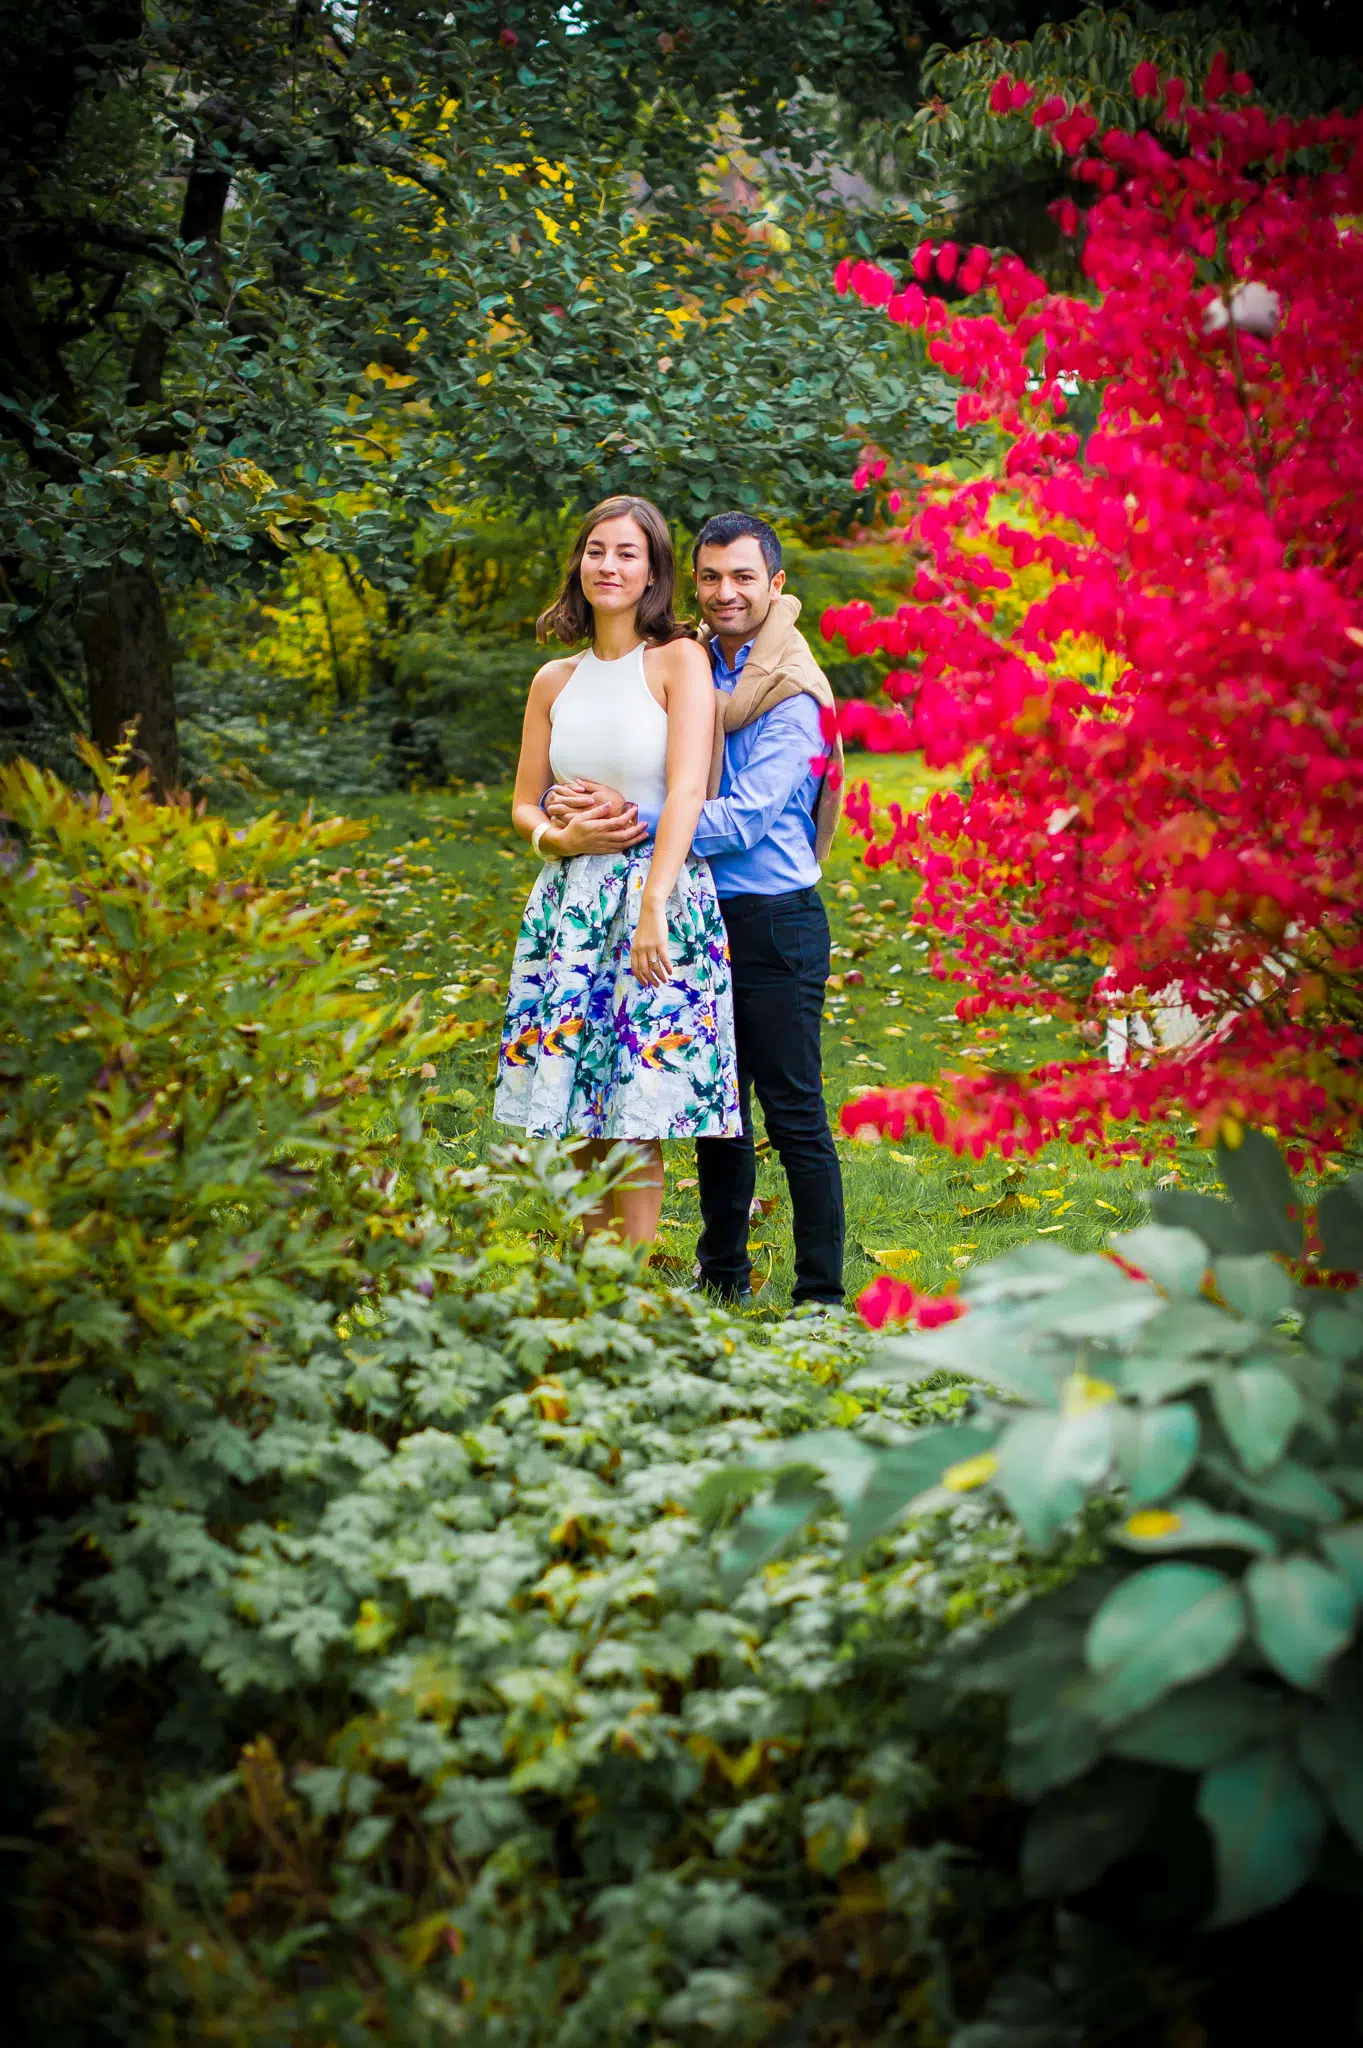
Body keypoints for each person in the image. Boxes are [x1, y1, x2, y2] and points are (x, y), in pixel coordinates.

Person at [546, 511, 846, 1308]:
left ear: (775, 587)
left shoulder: (792, 697)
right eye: (711, 576)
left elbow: (742, 817)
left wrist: (633, 818)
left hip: (773, 919)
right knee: (717, 1112)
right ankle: (723, 1277)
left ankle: (819, 1294)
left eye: (744, 577)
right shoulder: (691, 665)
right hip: (698, 915)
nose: (725, 592)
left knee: (792, 1112)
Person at [494, 495, 741, 1246]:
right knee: (571, 1103)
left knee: (634, 1109)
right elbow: (523, 804)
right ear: (579, 562)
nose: (609, 565)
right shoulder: (553, 680)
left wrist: (654, 906)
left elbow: (689, 788)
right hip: (568, 903)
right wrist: (556, 843)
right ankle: (586, 1285)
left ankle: (628, 1296)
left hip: (656, 896)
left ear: (653, 571)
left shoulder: (677, 660)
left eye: (627, 553)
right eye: (597, 550)